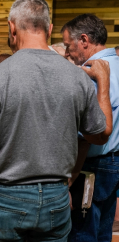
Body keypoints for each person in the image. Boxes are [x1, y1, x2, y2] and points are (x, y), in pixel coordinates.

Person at [0, 0, 112, 242]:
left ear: (12, 27)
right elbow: (100, 134)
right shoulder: (77, 78)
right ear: (50, 29)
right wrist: (103, 84)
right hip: (56, 196)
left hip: (4, 195)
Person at [61, 14, 119, 242]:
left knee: (82, 234)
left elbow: (87, 135)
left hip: (90, 166)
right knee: (103, 233)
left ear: (84, 40)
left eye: (68, 45)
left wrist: (69, 179)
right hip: (114, 162)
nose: (66, 53)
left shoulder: (91, 73)